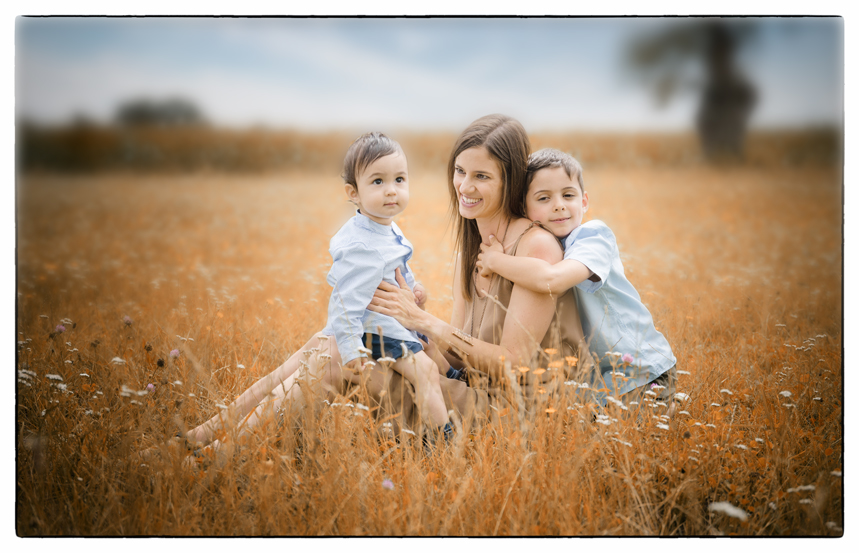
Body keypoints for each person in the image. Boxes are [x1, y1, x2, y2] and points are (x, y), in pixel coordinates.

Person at [146, 132, 450, 458]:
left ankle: (203, 441)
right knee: (412, 370)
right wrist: (351, 352)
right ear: (353, 193)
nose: (392, 189)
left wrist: (414, 292)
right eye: (378, 181)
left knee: (297, 366)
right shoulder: (363, 244)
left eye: (399, 179)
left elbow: (398, 268)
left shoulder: (383, 227)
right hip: (376, 331)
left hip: (378, 325)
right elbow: (344, 304)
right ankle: (442, 445)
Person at [366, 115, 590, 426]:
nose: (465, 186)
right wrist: (413, 325)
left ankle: (272, 435)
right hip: (475, 391)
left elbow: (513, 363)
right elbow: (459, 360)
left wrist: (424, 321)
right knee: (344, 349)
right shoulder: (469, 256)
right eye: (460, 171)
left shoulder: (535, 248)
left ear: (509, 182)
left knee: (348, 366)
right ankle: (273, 423)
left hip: (521, 411)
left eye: (481, 176)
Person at [475, 148, 677, 407]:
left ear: (584, 201)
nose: (559, 204)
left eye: (568, 195)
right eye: (544, 198)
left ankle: (664, 407)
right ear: (525, 207)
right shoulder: (546, 245)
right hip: (603, 379)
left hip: (642, 371)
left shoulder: (593, 237)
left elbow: (552, 280)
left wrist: (496, 261)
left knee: (630, 434)